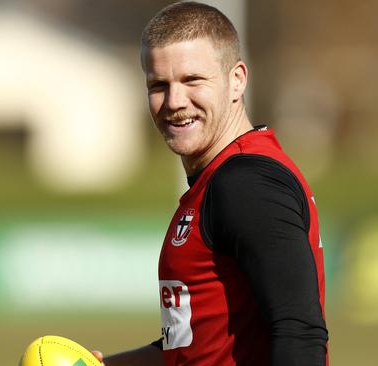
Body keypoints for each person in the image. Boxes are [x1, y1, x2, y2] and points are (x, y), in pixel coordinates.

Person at [94, 2, 328, 365]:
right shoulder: (220, 180)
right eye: (159, 85)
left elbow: (300, 332)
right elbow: (196, 344)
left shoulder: (246, 184)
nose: (174, 102)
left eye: (192, 81)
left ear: (237, 80)